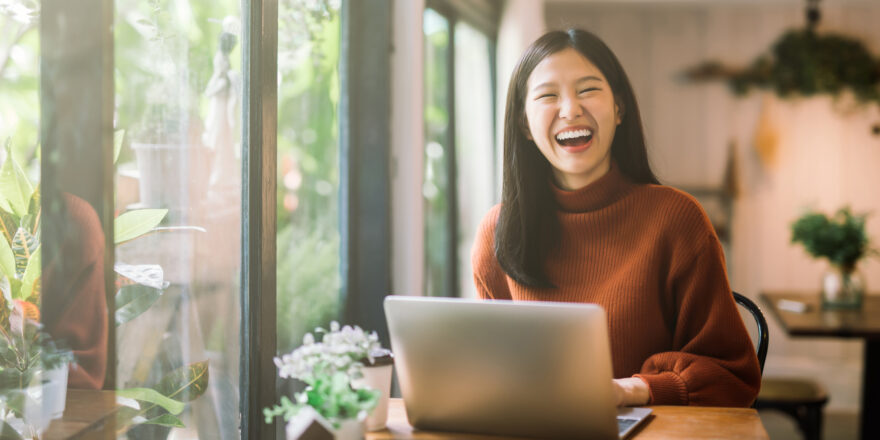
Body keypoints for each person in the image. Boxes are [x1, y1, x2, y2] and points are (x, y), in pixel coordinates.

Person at [471, 29, 761, 408]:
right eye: (547, 95)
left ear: (620, 108)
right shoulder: (498, 232)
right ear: (525, 124)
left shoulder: (676, 219)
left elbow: (733, 376)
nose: (570, 109)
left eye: (587, 89)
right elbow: (492, 368)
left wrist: (632, 390)